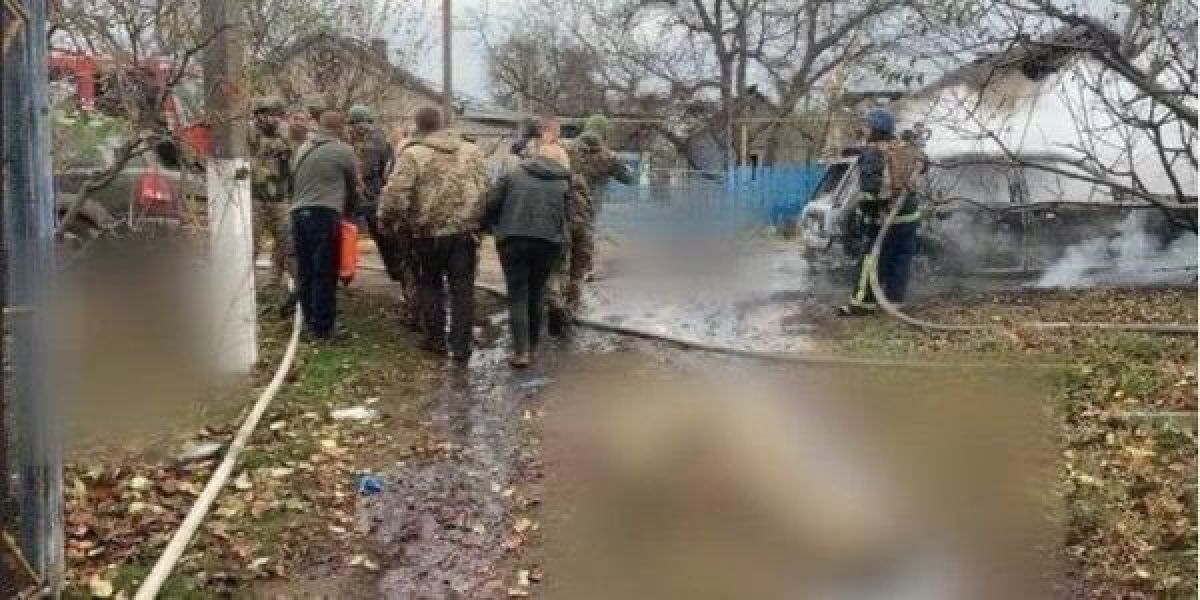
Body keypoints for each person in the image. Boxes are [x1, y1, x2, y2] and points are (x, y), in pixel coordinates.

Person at [379, 107, 488, 362]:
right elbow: (485, 187)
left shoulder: (413, 154)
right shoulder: (471, 151)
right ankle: (461, 346)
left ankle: (435, 340)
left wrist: (389, 222)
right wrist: (478, 221)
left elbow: (395, 196)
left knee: (430, 285)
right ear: (442, 124)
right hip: (464, 233)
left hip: (426, 234)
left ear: (417, 126)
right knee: (463, 290)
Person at [483, 145, 575, 368]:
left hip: (512, 239)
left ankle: (521, 352)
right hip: (548, 243)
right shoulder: (565, 184)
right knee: (537, 292)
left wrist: (493, 228)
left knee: (517, 295)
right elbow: (570, 218)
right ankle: (533, 348)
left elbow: (490, 203)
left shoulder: (513, 175)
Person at [548, 114, 635, 331]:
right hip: (586, 217)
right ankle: (571, 309)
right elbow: (630, 179)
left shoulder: (565, 149)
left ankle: (554, 303)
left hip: (559, 213)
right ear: (604, 133)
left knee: (559, 261)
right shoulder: (607, 157)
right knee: (579, 266)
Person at [838, 109, 923, 316]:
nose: (864, 129)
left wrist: (864, 212)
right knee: (900, 260)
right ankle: (894, 302)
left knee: (870, 261)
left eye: (867, 126)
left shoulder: (873, 153)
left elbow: (870, 190)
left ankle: (861, 305)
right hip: (910, 216)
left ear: (876, 129)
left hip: (885, 218)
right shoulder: (904, 148)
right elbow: (922, 164)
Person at [290, 110, 362, 339]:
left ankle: (309, 321)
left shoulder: (303, 148)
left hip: (298, 213)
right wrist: (350, 213)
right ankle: (323, 327)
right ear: (341, 128)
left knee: (306, 270)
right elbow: (355, 186)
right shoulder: (344, 151)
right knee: (325, 271)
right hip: (325, 213)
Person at [248, 96, 292, 287]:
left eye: (277, 115)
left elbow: (292, 161)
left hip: (279, 196)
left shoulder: (285, 134)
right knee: (251, 240)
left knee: (285, 238)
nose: (274, 119)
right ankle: (247, 282)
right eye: (269, 114)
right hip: (255, 195)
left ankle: (275, 279)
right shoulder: (249, 132)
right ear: (259, 115)